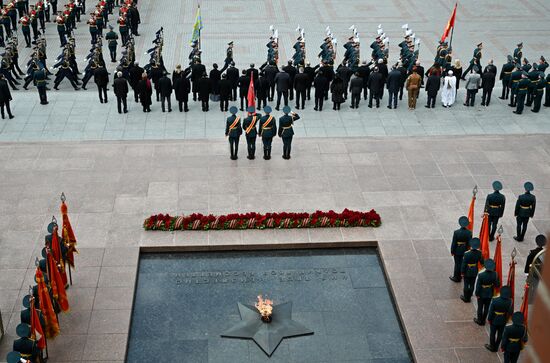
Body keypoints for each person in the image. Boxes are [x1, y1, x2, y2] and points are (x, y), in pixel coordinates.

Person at [485, 286, 513, 352]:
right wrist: (506, 319)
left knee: (492, 334)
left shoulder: (495, 300)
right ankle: (496, 347)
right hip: (503, 319)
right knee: (500, 335)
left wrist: (489, 319)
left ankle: (492, 346)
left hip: (494, 319)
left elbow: (491, 311)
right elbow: (510, 312)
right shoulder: (510, 301)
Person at [474, 258, 499, 326]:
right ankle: (483, 320)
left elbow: (478, 286)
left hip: (481, 293)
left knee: (480, 307)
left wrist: (477, 293)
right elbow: (497, 285)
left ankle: (479, 320)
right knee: (486, 308)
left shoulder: (481, 275)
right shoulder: (495, 274)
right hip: (489, 293)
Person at [460, 237, 484, 303]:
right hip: (474, 270)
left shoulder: (466, 253)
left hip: (467, 270)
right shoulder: (479, 253)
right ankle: (470, 296)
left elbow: (464, 264)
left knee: (466, 284)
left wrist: (462, 272)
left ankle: (465, 297)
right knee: (472, 284)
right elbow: (482, 262)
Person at [450, 216, 472, 282]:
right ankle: (461, 275)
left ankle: (456, 277)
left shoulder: (456, 232)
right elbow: (469, 243)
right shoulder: (469, 233)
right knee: (462, 263)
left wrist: (452, 251)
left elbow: (454, 243)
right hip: (465, 249)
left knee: (457, 264)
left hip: (457, 250)